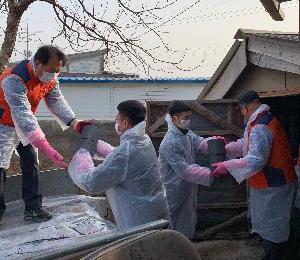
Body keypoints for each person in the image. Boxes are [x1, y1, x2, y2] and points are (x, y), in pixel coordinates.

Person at [0, 45, 90, 224]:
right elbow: (22, 113)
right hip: (4, 123)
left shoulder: (50, 79)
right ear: (38, 63)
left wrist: (74, 122)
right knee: (0, 166)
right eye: (51, 70)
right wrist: (48, 148)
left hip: (25, 124)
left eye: (57, 71)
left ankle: (33, 208)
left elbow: (57, 101)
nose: (54, 75)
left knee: (31, 161)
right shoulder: (13, 79)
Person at [212, 90, 296, 260]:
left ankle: (277, 255)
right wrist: (228, 148)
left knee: (274, 227)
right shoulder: (262, 120)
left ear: (244, 108)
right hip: (272, 182)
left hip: (273, 184)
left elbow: (256, 160)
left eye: (241, 109)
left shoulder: (261, 126)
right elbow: (248, 143)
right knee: (271, 224)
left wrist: (227, 166)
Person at [68, 100, 171, 230]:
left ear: (125, 123)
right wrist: (98, 146)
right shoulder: (144, 140)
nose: (116, 123)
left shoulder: (125, 153)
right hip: (155, 214)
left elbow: (92, 183)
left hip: (138, 222)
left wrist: (82, 158)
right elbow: (126, 160)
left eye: (117, 120)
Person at [158, 101, 213, 239]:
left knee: (187, 219)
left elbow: (201, 144)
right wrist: (210, 173)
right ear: (174, 118)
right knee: (172, 222)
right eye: (185, 117)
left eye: (189, 117)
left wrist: (218, 144)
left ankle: (185, 247)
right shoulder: (170, 142)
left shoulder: (186, 134)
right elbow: (184, 170)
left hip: (187, 187)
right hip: (173, 189)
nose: (188, 121)